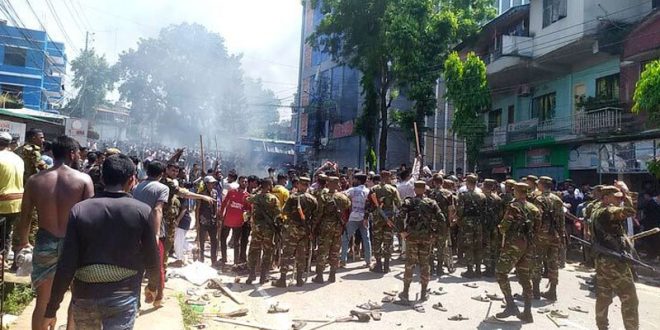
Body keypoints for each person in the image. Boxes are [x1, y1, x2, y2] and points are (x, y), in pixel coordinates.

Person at [44, 154, 161, 330]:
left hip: (85, 296)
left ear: (103, 178)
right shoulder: (142, 211)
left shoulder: (80, 210)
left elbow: (66, 264)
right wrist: (153, 286)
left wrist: (52, 309)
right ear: (132, 180)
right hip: (123, 295)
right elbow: (152, 256)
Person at [15, 136, 94, 330]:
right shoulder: (83, 179)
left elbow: (24, 218)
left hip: (45, 240)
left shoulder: (35, 181)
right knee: (77, 298)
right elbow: (91, 218)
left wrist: (23, 242)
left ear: (52, 152)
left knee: (43, 299)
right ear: (72, 153)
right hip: (74, 244)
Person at [593, 186, 638, 330]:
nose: (620, 199)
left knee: (603, 297)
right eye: (616, 197)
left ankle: (602, 327)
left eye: (620, 197)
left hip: (603, 261)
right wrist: (626, 193)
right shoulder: (607, 211)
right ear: (605, 198)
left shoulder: (596, 210)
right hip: (614, 262)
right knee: (630, 299)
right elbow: (630, 212)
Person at [495, 182, 540, 324]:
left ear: (518, 192)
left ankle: (510, 305)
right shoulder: (534, 208)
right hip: (529, 245)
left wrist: (501, 227)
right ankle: (527, 312)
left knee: (501, 273)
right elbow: (537, 228)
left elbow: (504, 227)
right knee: (525, 278)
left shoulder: (513, 207)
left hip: (514, 244)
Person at [395, 181, 443, 302]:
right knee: (425, 264)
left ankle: (405, 292)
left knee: (410, 264)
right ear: (425, 189)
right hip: (426, 238)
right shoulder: (431, 203)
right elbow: (441, 218)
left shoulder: (409, 202)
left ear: (415, 189)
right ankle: (423, 293)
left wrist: (401, 231)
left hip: (411, 237)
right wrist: (435, 234)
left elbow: (399, 217)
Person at [132, 160, 169, 306]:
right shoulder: (162, 188)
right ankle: (157, 297)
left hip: (136, 230)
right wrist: (156, 233)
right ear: (161, 174)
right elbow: (157, 210)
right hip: (152, 230)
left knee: (137, 268)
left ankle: (137, 304)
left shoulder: (136, 187)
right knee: (157, 265)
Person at [273, 177, 317, 287]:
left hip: (291, 230)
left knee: (287, 254)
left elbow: (284, 211)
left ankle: (282, 279)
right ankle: (299, 279)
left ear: (299, 185)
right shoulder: (312, 199)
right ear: (308, 185)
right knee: (301, 254)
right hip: (305, 230)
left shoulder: (293, 197)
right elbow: (315, 216)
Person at [531, 176, 565, 301]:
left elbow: (537, 218)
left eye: (538, 184)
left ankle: (535, 291)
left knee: (537, 262)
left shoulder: (539, 199)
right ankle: (552, 291)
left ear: (542, 185)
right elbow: (562, 220)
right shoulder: (557, 200)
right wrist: (561, 236)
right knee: (553, 263)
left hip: (541, 235)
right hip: (555, 235)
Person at [312, 176, 351, 283]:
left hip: (325, 227)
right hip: (338, 227)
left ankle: (319, 276)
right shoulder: (342, 197)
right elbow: (348, 206)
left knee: (322, 250)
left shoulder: (323, 197)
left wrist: (314, 227)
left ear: (328, 184)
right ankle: (332, 275)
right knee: (335, 250)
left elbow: (319, 213)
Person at [246, 178, 281, 285]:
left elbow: (247, 199)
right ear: (270, 186)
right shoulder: (274, 199)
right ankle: (263, 276)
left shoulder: (255, 197)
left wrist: (257, 190)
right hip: (268, 230)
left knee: (253, 250)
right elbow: (278, 215)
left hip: (256, 229)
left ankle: (251, 274)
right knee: (267, 252)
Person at [365, 170, 401, 273]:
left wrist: (365, 217)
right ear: (389, 177)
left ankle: (378, 265)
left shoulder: (373, 189)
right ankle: (386, 265)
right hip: (389, 219)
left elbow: (368, 205)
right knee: (388, 241)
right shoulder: (393, 189)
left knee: (377, 240)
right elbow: (399, 205)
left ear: (380, 177)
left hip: (377, 219)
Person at [0, 132, 23, 266]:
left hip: (2, 202)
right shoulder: (17, 159)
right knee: (7, 233)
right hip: (17, 204)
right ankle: (4, 260)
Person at [457, 174, 486, 278]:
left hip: (467, 223)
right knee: (478, 246)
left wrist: (459, 220)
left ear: (467, 183)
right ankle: (478, 269)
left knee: (469, 246)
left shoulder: (463, 195)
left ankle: (470, 270)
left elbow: (460, 210)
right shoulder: (482, 195)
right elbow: (484, 211)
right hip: (478, 223)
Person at [340, 174, 372, 268]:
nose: (353, 180)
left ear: (358, 180)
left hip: (353, 217)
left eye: (354, 179)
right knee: (366, 239)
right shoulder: (368, 191)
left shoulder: (353, 190)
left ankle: (343, 261)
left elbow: (342, 195)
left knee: (345, 238)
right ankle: (368, 261)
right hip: (364, 218)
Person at [428, 173, 455, 276]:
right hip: (443, 223)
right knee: (441, 245)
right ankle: (439, 268)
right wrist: (450, 222)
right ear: (442, 182)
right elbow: (450, 210)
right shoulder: (448, 194)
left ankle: (431, 266)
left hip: (431, 222)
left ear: (434, 182)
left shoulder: (430, 193)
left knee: (430, 244)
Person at [219, 176, 250, 265]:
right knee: (223, 239)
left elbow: (249, 210)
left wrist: (246, 219)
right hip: (227, 220)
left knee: (236, 243)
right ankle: (224, 258)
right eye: (242, 181)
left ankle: (236, 261)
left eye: (245, 181)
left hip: (238, 223)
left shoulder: (247, 196)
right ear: (239, 182)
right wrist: (221, 215)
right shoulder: (231, 192)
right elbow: (224, 203)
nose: (244, 183)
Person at [196, 176, 220, 266]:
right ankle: (201, 259)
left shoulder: (215, 193)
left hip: (213, 220)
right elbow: (197, 208)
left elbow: (216, 206)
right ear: (206, 184)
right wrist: (197, 222)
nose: (212, 185)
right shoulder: (201, 194)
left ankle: (214, 260)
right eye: (211, 183)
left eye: (213, 183)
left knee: (214, 241)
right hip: (203, 220)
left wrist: (217, 218)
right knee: (201, 241)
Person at [482, 178, 503, 278]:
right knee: (494, 247)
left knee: (486, 246)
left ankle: (488, 268)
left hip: (485, 226)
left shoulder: (481, 197)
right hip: (495, 226)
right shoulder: (498, 199)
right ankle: (493, 267)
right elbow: (500, 214)